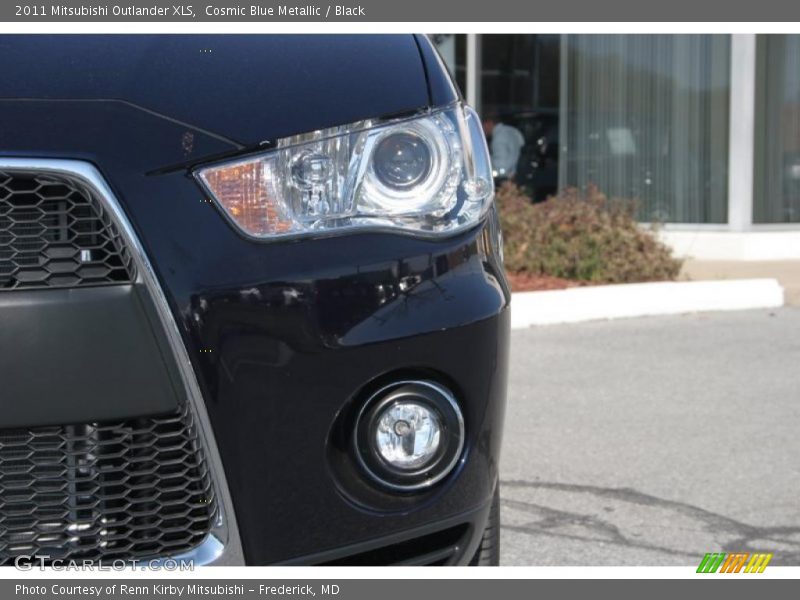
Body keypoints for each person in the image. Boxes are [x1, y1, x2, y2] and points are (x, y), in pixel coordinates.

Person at [482, 115, 525, 181]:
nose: (482, 129)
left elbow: (500, 164)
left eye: (483, 126)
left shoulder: (498, 138)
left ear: (489, 123)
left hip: (504, 178)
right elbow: (522, 144)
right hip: (516, 174)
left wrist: (486, 159)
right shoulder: (513, 130)